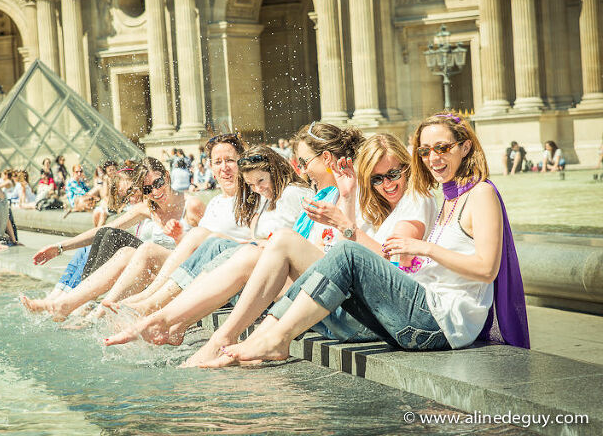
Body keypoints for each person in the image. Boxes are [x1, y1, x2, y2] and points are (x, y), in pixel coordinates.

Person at [208, 112, 530, 368]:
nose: (433, 158)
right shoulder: (449, 199)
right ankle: (264, 335)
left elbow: (487, 269)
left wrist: (424, 247)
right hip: (422, 315)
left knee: (345, 253)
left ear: (465, 147)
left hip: (438, 323)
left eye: (442, 148)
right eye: (425, 150)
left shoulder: (481, 192)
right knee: (312, 249)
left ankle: (273, 337)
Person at [106, 143, 316, 328]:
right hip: (249, 268)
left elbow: (296, 241)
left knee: (206, 240)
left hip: (272, 275)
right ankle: (150, 303)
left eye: (260, 181)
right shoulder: (265, 198)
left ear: (276, 170)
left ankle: (153, 304)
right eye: (252, 185)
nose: (258, 189)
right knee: (198, 241)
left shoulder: (291, 194)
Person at [21, 157, 205, 320]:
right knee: (116, 242)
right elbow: (103, 230)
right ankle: (77, 306)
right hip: (152, 269)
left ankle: (81, 305)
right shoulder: (147, 207)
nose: (155, 192)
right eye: (147, 189)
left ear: (166, 175)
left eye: (158, 183)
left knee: (146, 248)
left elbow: (209, 247)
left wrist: (180, 237)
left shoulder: (192, 205)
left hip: (180, 269)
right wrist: (60, 247)